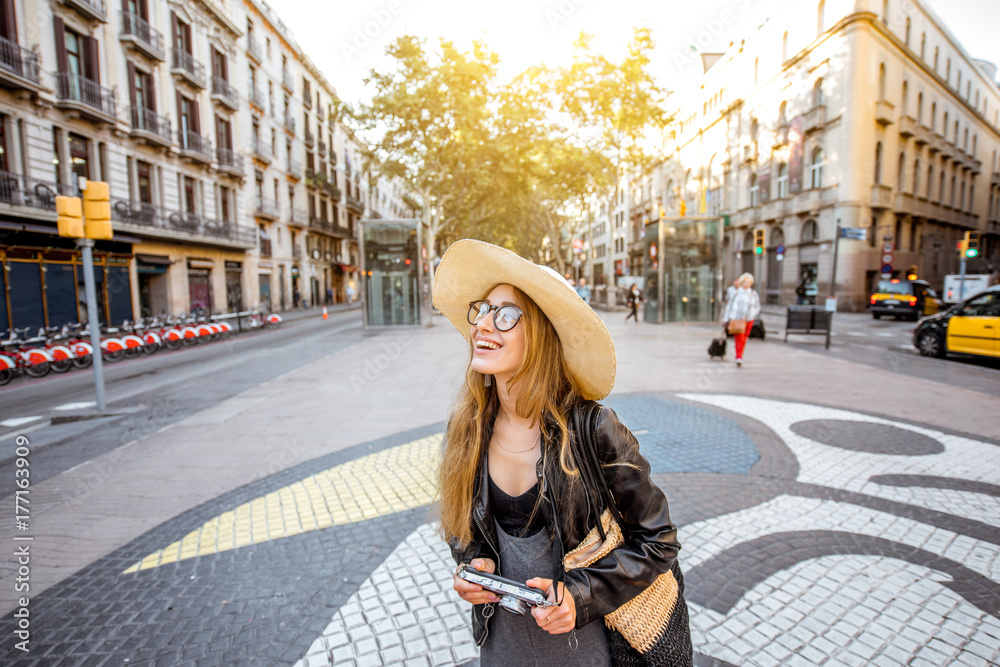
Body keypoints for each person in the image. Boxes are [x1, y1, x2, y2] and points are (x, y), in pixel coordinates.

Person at [433, 240, 686, 666]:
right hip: (503, 649)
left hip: (589, 650)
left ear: (541, 336)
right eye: (482, 309)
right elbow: (464, 525)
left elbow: (658, 539)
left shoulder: (593, 428)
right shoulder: (469, 429)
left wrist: (580, 595)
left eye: (507, 315)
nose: (482, 324)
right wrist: (473, 562)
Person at [723, 272, 761, 367]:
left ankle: (740, 354)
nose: (746, 283)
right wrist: (726, 318)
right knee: (739, 338)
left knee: (744, 338)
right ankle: (739, 356)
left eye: (748, 282)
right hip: (737, 319)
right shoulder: (736, 293)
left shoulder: (753, 294)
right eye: (744, 281)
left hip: (749, 319)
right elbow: (729, 306)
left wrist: (753, 314)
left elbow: (757, 306)